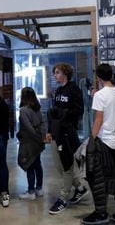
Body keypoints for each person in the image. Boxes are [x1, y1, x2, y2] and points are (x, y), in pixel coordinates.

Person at [82, 64, 115, 225]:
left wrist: (91, 140)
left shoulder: (100, 95)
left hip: (104, 142)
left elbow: (98, 120)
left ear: (99, 78)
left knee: (99, 179)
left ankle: (101, 213)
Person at [46, 62, 87, 215]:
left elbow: (79, 110)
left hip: (67, 134)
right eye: (54, 72)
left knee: (67, 166)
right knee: (59, 167)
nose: (54, 75)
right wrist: (49, 131)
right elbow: (54, 113)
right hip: (57, 133)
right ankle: (80, 188)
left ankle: (63, 198)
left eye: (57, 72)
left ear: (65, 73)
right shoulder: (57, 91)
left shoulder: (74, 89)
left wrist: (64, 114)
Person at [17, 87, 45, 200]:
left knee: (30, 165)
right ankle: (39, 188)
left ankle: (31, 191)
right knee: (37, 164)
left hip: (29, 141)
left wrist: (34, 136)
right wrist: (41, 137)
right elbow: (43, 123)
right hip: (38, 141)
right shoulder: (37, 109)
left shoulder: (23, 110)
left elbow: (28, 127)